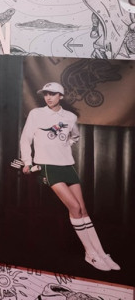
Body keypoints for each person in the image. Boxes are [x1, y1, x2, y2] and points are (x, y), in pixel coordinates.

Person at [19, 81, 120, 272]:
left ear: (61, 96)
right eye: (46, 94)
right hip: (47, 166)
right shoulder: (36, 114)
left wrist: (65, 145)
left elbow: (75, 136)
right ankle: (90, 253)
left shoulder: (70, 117)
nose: (48, 97)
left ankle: (101, 253)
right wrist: (27, 161)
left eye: (52, 94)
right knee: (74, 207)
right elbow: (26, 139)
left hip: (67, 165)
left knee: (83, 209)